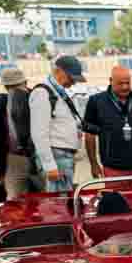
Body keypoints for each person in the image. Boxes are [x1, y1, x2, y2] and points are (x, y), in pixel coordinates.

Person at [28, 56, 86, 192]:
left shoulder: (57, 92)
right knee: (58, 203)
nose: (73, 82)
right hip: (57, 157)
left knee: (63, 199)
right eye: (71, 77)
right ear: (58, 71)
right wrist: (49, 165)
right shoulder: (42, 93)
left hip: (63, 156)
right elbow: (39, 133)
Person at [83, 65, 132, 178]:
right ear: (111, 81)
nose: (125, 87)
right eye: (120, 83)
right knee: (114, 196)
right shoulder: (96, 102)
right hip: (113, 169)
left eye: (128, 83)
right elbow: (89, 135)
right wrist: (93, 164)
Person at [0, 67, 35, 199]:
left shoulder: (38, 98)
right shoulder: (2, 103)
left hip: (33, 156)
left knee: (17, 202)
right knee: (16, 202)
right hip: (17, 158)